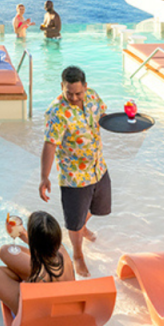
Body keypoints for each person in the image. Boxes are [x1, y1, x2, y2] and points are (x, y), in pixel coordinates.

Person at [39, 65, 108, 277]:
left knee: (99, 208)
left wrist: (129, 123)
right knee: (74, 220)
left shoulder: (93, 96)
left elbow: (104, 117)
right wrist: (44, 177)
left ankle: (81, 229)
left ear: (85, 87)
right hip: (74, 177)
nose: (74, 97)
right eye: (69, 93)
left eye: (78, 93)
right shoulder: (57, 112)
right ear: (62, 87)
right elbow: (49, 145)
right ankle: (78, 254)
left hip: (98, 168)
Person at [0, 211, 74, 316]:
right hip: (62, 299)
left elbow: (27, 296)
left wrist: (25, 286)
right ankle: (20, 274)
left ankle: (19, 277)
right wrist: (24, 235)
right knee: (5, 251)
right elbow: (44, 246)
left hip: (38, 313)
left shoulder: (38, 277)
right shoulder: (61, 250)